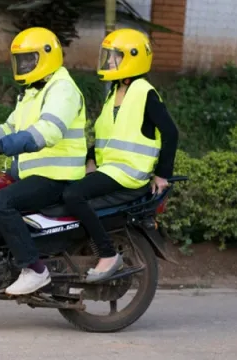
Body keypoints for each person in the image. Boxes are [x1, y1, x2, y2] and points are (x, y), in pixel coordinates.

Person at [0, 27, 88, 295]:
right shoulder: (33, 92)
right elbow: (10, 127)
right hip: (36, 174)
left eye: (28, 59)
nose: (22, 66)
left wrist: (3, 147)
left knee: (1, 202)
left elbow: (49, 130)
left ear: (47, 56)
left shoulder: (63, 89)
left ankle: (35, 270)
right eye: (19, 60)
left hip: (57, 175)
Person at [60, 28, 179, 283]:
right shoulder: (114, 93)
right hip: (110, 170)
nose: (108, 61)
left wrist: (162, 174)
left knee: (73, 195)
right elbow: (106, 135)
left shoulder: (144, 92)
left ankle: (107, 254)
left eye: (114, 57)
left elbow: (171, 133)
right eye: (108, 56)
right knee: (64, 189)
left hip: (128, 173)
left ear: (133, 57)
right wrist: (91, 158)